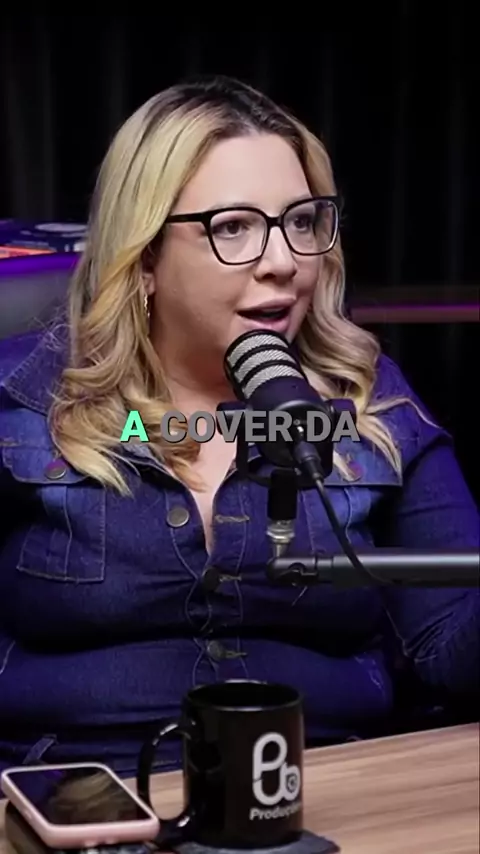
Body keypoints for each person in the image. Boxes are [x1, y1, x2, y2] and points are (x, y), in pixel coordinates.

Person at [0, 74, 478, 779]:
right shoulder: (25, 401)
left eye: (302, 222)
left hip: (331, 787)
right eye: (233, 227)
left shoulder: (371, 402)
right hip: (81, 794)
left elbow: (452, 651)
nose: (283, 263)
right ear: (146, 257)